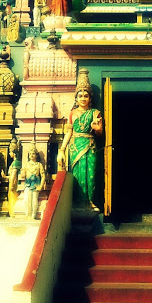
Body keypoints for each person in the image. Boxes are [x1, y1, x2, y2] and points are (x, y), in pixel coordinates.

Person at [58, 68, 103, 209]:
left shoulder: (95, 113)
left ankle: (89, 202)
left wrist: (98, 129)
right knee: (77, 176)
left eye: (86, 96)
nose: (83, 98)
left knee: (91, 175)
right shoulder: (72, 113)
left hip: (90, 146)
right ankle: (77, 203)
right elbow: (69, 133)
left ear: (90, 98)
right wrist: (62, 149)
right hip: (76, 147)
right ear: (76, 98)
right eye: (80, 96)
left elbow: (100, 135)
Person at [23, 148, 46, 219]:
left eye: (33, 154)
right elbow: (23, 174)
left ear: (36, 155)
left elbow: (43, 176)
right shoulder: (26, 164)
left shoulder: (39, 165)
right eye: (30, 154)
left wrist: (41, 186)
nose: (32, 155)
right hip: (28, 184)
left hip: (36, 184)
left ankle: (33, 215)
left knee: (34, 200)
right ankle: (27, 214)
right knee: (26, 199)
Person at [6, 139, 22, 218]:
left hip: (14, 184)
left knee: (13, 198)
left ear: (14, 153)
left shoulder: (16, 163)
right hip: (13, 183)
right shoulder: (15, 162)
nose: (9, 154)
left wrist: (12, 184)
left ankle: (13, 213)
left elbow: (14, 175)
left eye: (10, 152)